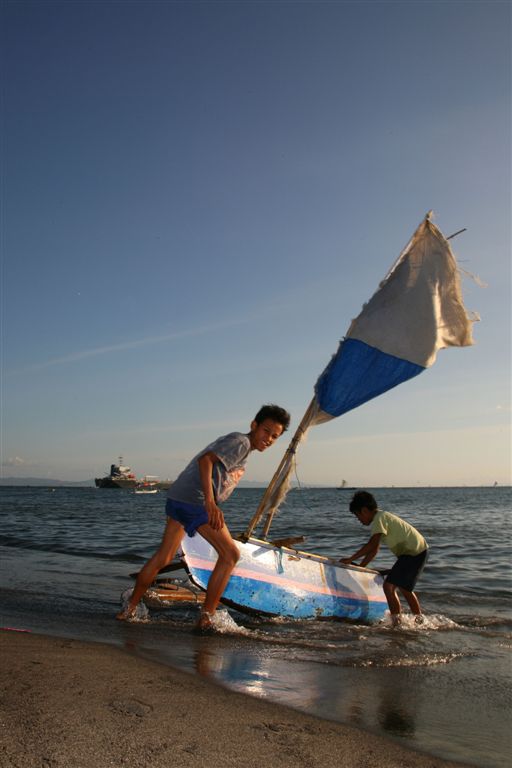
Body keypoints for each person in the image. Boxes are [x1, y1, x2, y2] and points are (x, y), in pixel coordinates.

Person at [116, 404, 291, 631]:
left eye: (274, 436)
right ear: (254, 425)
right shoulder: (241, 442)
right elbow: (205, 461)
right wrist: (209, 502)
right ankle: (206, 617)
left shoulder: (243, 448)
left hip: (179, 498)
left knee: (165, 556)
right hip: (194, 500)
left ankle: (130, 609)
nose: (268, 439)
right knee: (230, 555)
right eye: (266, 431)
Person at [340, 490, 428, 626]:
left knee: (388, 587)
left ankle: (396, 623)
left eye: (358, 517)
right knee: (405, 588)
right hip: (417, 551)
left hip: (413, 552)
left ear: (364, 510)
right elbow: (375, 549)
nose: (360, 521)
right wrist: (361, 566)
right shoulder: (381, 517)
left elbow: (371, 545)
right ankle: (419, 620)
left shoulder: (379, 518)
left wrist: (351, 558)